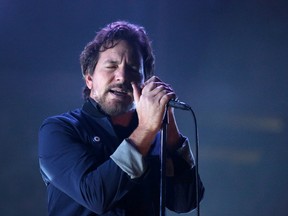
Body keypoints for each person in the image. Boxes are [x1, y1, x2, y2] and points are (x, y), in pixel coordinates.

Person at [38, 20, 204, 216]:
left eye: (133, 69)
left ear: (144, 82)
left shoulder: (154, 138)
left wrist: (172, 135)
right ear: (89, 78)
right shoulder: (60, 129)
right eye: (111, 66)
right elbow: (96, 196)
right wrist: (146, 130)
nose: (122, 77)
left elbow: (186, 202)